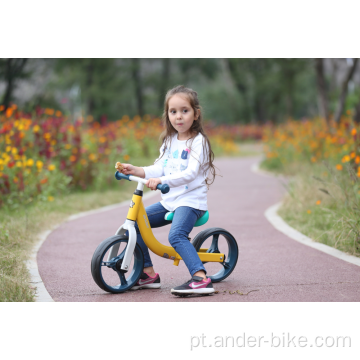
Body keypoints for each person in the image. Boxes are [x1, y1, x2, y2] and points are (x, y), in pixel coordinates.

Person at [119, 85, 217, 295]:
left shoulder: (199, 142)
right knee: (136, 224)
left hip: (190, 202)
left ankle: (200, 278)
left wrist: (162, 180)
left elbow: (190, 174)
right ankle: (148, 274)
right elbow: (159, 166)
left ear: (196, 114)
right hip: (169, 201)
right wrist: (137, 170)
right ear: (167, 115)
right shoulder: (170, 141)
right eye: (173, 112)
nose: (178, 117)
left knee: (177, 235)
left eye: (184, 111)